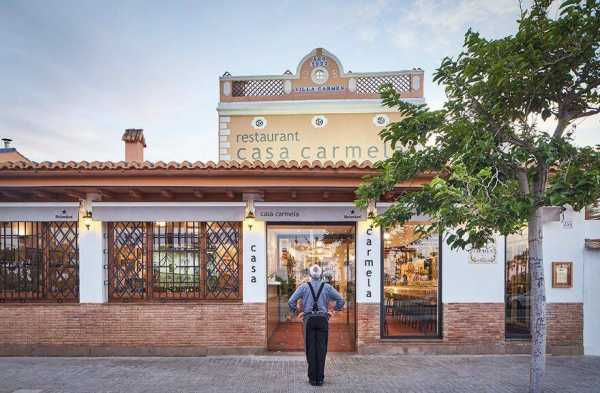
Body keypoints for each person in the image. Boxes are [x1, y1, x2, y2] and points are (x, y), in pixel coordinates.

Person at [288, 264, 345, 386]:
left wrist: (298, 312)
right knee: (322, 349)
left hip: (309, 319)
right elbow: (341, 300)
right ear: (321, 275)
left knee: (310, 348)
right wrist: (332, 312)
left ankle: (312, 379)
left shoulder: (303, 287)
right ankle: (320, 379)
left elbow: (291, 301)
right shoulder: (327, 287)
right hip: (323, 319)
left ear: (309, 275)